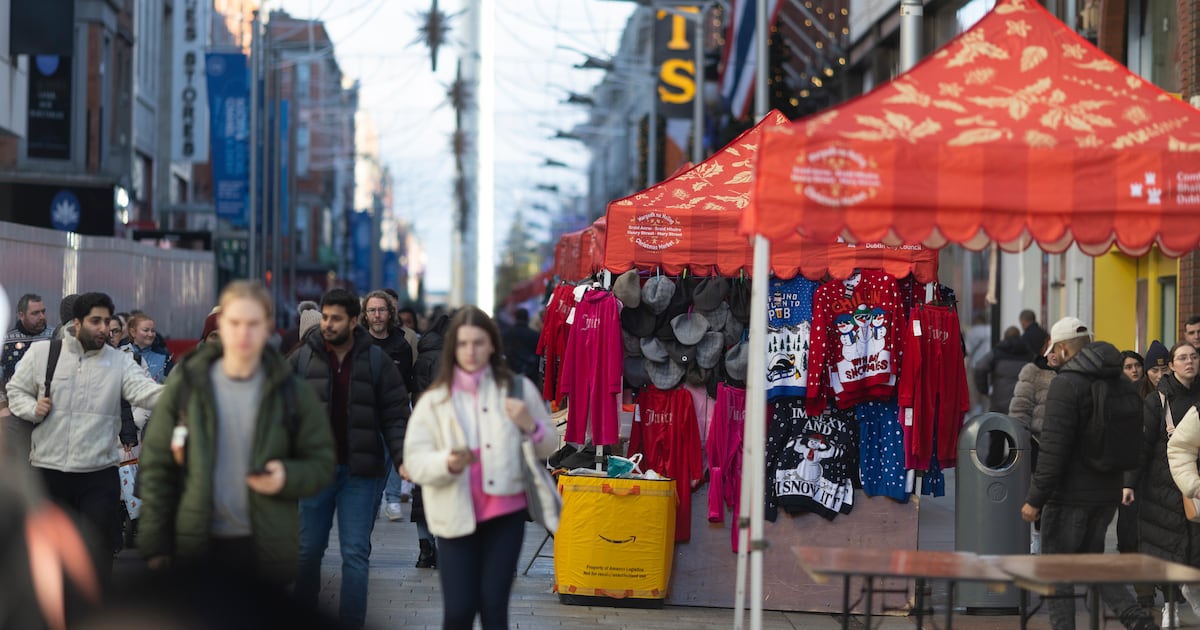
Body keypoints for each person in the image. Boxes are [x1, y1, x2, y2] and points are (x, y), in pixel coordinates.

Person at [138, 281, 335, 585]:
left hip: (265, 545)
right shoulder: (188, 383)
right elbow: (156, 464)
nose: (243, 333)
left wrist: (287, 476)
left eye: (253, 324)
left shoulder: (290, 391)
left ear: (269, 327)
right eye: (234, 323)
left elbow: (322, 462)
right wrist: (155, 543)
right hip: (195, 542)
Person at [403, 306, 557, 630]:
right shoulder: (436, 400)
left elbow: (550, 445)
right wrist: (445, 463)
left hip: (505, 515)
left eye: (478, 343)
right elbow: (414, 459)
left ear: (492, 345)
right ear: (452, 348)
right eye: (463, 343)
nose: (470, 351)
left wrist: (530, 425)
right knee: (459, 610)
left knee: (493, 608)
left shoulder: (517, 389)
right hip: (454, 514)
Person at [5, 292, 163, 582]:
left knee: (99, 553)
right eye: (95, 321)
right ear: (76, 323)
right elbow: (16, 390)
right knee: (51, 554)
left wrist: (184, 391)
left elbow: (145, 392)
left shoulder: (119, 362)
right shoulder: (44, 354)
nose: (103, 329)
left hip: (98, 473)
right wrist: (32, 409)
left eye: (107, 322)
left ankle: (97, 603)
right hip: (50, 470)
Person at [1020, 317, 1157, 630]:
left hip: (1069, 496)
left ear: (1064, 348)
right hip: (1106, 493)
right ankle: (1137, 620)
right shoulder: (1121, 382)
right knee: (1092, 563)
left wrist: (1035, 499)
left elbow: (1053, 449)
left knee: (1058, 571)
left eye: (1056, 350)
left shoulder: (1066, 384)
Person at [291, 288, 409, 629]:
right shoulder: (303, 358)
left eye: (336, 318)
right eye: (325, 317)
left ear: (354, 321)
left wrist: (402, 457)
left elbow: (395, 414)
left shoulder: (376, 360)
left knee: (355, 553)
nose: (328, 324)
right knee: (308, 551)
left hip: (361, 472)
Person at [1125, 342, 1200, 624]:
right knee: (1168, 548)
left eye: (1194, 356)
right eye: (1183, 358)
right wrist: (1129, 483)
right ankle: (1170, 606)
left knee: (1195, 548)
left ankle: (1192, 591)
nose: (1189, 362)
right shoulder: (1157, 400)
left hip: (1195, 483)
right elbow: (1142, 446)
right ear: (1172, 365)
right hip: (1162, 487)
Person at [361, 290, 417, 523]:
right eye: (372, 310)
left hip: (389, 419)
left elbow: (405, 385)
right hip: (361, 420)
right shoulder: (356, 343)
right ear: (365, 314)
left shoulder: (401, 345)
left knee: (384, 473)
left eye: (381, 310)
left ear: (390, 313)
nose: (377, 315)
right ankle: (367, 515)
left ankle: (387, 501)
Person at [402, 311, 451, 569]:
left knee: (422, 493)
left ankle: (425, 550)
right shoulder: (450, 359)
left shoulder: (423, 356)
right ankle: (442, 550)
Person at [1009, 337, 1061, 553]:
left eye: (1059, 349)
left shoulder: (1074, 374)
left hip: (1066, 444)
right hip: (1038, 443)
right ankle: (1037, 537)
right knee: (1041, 492)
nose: (1055, 354)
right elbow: (1020, 409)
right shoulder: (1032, 372)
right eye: (1051, 349)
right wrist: (1020, 440)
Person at [974, 326, 1033, 414]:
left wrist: (983, 390)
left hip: (999, 400)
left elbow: (980, 367)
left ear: (1004, 337)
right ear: (1019, 337)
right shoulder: (1028, 353)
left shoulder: (996, 352)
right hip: (1021, 400)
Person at [125, 313, 174, 384]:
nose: (150, 334)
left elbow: (171, 383)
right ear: (133, 332)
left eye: (153, 331)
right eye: (146, 330)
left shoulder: (164, 355)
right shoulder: (121, 353)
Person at [502, 307, 541, 387]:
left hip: (512, 373)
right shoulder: (535, 335)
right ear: (527, 318)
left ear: (515, 318)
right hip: (531, 375)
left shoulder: (507, 334)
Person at [964, 313, 991, 413]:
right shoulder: (991, 329)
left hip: (976, 365)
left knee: (974, 392)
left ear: (976, 322)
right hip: (989, 364)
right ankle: (987, 413)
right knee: (986, 392)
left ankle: (974, 414)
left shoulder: (973, 331)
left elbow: (967, 351)